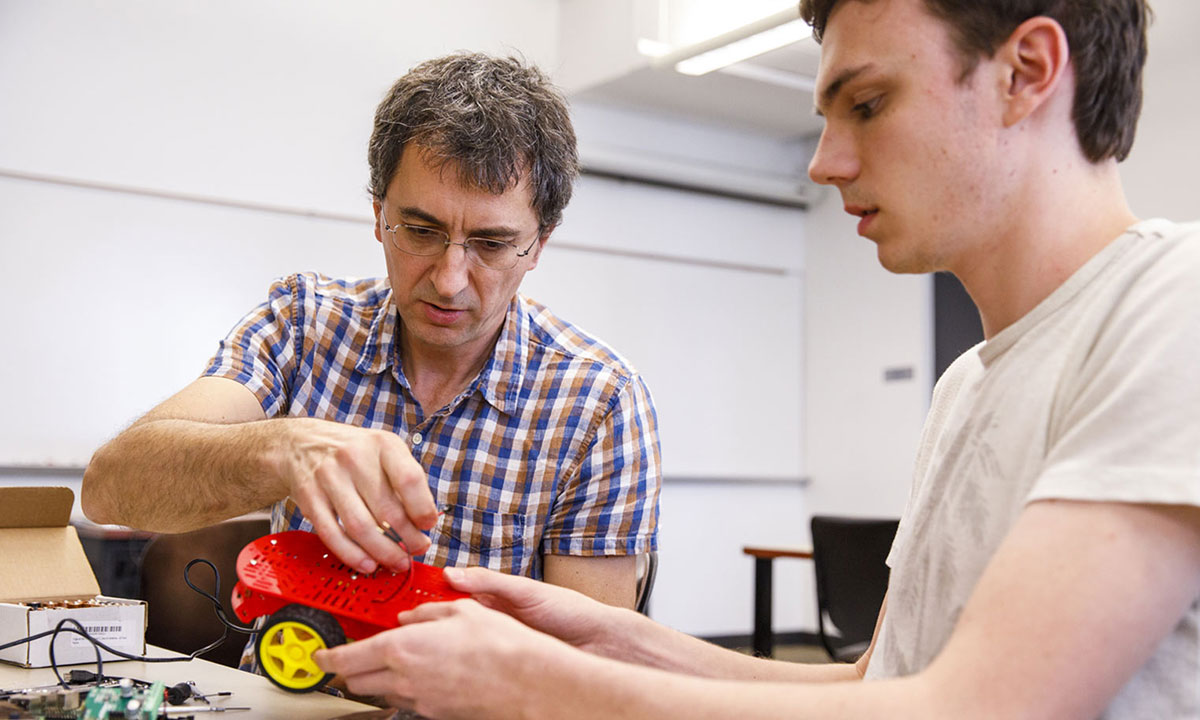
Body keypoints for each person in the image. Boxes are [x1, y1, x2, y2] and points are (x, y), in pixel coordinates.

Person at [313, 1, 1200, 717]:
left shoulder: (1175, 301)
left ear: (1027, 72)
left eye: (867, 103)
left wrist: (536, 681)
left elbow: (971, 709)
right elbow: (881, 687)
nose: (825, 161)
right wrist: (601, 635)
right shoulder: (969, 388)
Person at [81, 53, 661, 611]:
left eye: (491, 244)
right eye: (420, 229)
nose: (450, 279)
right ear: (378, 214)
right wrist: (283, 449)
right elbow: (110, 489)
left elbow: (593, 665)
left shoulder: (598, 403)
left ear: (539, 243)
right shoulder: (306, 326)